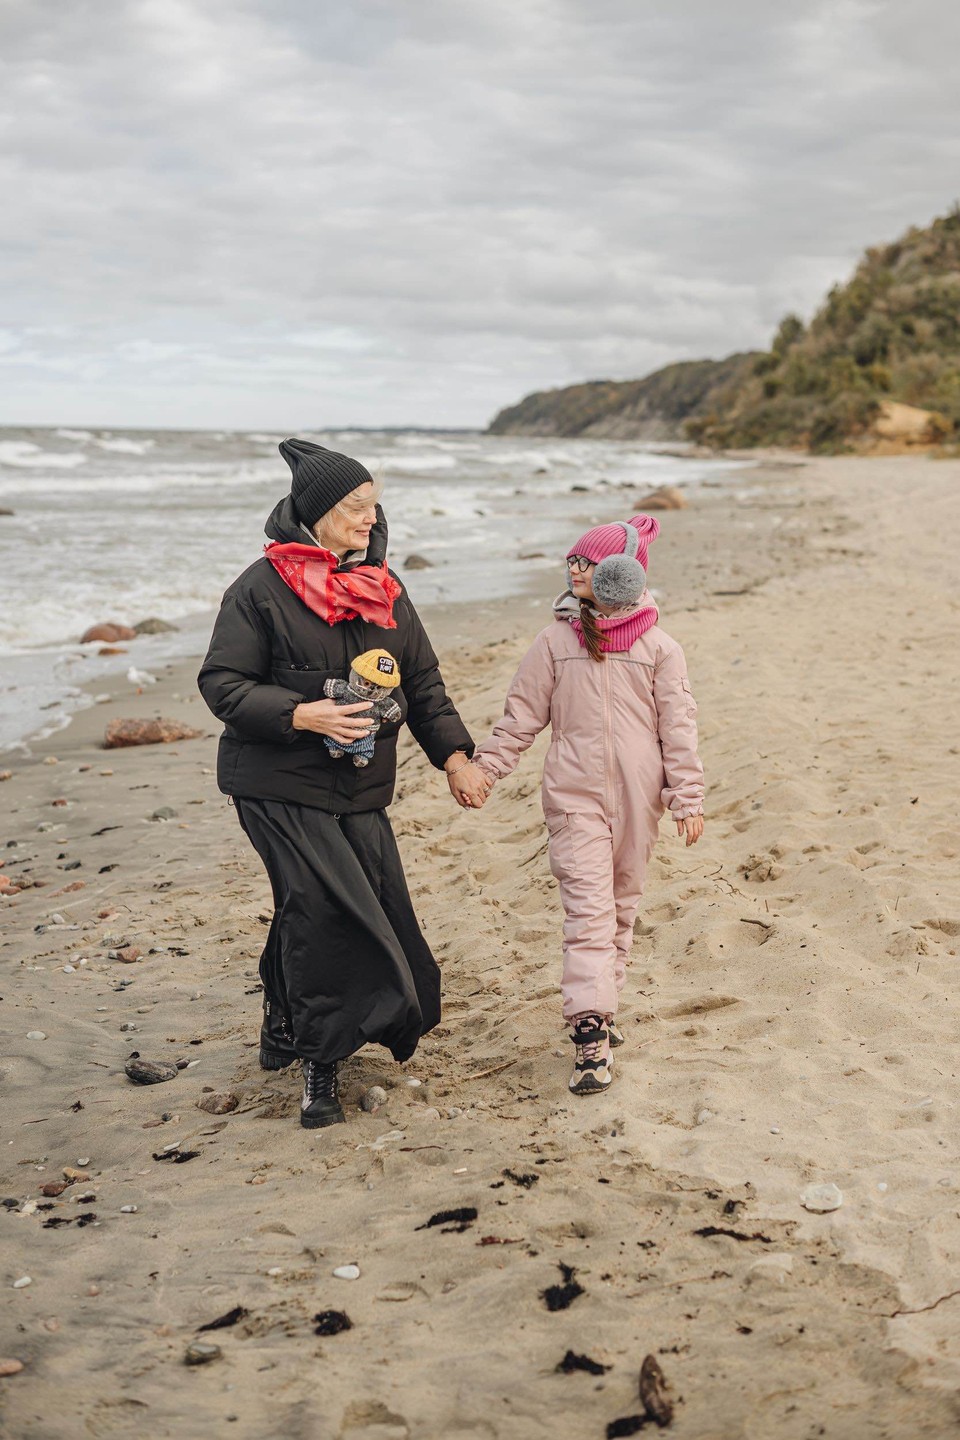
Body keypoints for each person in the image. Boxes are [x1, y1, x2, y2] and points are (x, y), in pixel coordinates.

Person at [198, 438, 489, 1128]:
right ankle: (319, 1064)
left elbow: (421, 682)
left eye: (373, 504)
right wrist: (300, 712)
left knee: (358, 902)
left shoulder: (384, 587)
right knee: (327, 910)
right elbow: (221, 683)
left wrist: (454, 757)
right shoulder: (259, 589)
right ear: (319, 511)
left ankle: (281, 1010)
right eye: (356, 505)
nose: (370, 517)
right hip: (274, 781)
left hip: (359, 787)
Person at [472, 514, 704, 1095]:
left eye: (588, 562)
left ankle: (604, 1004)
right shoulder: (554, 642)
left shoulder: (660, 648)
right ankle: (590, 1034)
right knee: (589, 916)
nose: (575, 569)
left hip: (639, 799)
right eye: (572, 561)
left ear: (621, 573)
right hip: (573, 799)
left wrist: (686, 797)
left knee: (621, 908)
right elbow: (520, 718)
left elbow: (678, 729)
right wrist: (486, 770)